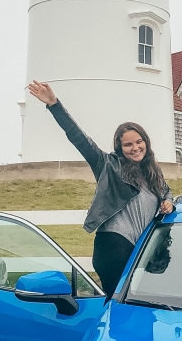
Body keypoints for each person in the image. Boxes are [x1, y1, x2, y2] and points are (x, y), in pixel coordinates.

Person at [28, 80, 174, 299]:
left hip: (141, 249)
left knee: (140, 304)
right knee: (118, 304)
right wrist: (54, 104)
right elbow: (78, 138)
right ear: (119, 147)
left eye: (139, 142)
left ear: (146, 142)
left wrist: (168, 202)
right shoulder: (107, 165)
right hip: (114, 247)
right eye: (128, 145)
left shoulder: (153, 171)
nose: (135, 148)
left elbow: (166, 192)